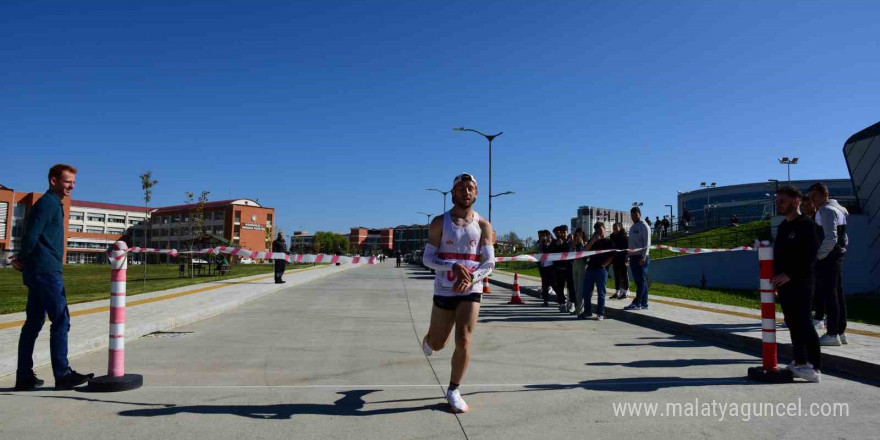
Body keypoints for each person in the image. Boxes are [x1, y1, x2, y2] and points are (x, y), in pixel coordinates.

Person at [12, 164, 94, 391]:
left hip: (42, 269)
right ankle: (63, 374)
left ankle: (24, 376)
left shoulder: (53, 204)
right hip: (46, 271)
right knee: (60, 320)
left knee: (34, 323)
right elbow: (31, 234)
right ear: (53, 180)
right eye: (68, 181)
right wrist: (22, 258)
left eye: (74, 183)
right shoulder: (47, 204)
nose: (72, 186)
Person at [420, 173, 495, 413]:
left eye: (470, 187)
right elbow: (427, 259)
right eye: (461, 188)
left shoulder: (483, 225)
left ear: (476, 193)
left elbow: (490, 262)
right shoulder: (440, 223)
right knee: (438, 344)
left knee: (463, 339)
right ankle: (430, 338)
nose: (466, 191)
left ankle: (453, 389)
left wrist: (473, 278)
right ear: (453, 193)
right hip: (444, 287)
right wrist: (451, 266)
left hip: (471, 288)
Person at [771, 186, 822, 382]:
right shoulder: (784, 226)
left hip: (802, 282)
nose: (779, 203)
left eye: (782, 200)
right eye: (778, 200)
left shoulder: (808, 226)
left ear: (796, 201)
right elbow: (779, 256)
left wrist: (789, 275)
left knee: (804, 322)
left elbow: (810, 257)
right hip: (784, 284)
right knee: (792, 323)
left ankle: (815, 367)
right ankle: (799, 361)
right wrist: (776, 280)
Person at [809, 182, 849, 346]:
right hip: (836, 255)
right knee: (838, 294)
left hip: (828, 258)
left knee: (830, 294)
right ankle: (840, 332)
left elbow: (830, 238)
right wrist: (842, 250)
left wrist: (819, 256)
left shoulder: (825, 210)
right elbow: (843, 237)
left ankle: (832, 333)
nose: (812, 200)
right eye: (811, 197)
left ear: (825, 195)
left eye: (815, 196)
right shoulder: (839, 210)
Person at [579, 222, 615, 320]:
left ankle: (600, 313)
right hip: (590, 269)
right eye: (596, 230)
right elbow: (585, 251)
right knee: (586, 292)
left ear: (604, 228)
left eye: (600, 229)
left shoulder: (609, 242)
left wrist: (604, 265)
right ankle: (587, 312)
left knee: (601, 292)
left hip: (601, 270)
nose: (599, 231)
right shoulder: (593, 240)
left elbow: (612, 256)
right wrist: (593, 241)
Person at [624, 206, 651, 310]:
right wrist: (627, 255)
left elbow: (647, 243)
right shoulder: (632, 227)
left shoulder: (644, 226)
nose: (634, 216)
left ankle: (637, 303)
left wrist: (643, 257)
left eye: (636, 214)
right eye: (632, 215)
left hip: (641, 257)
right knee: (640, 281)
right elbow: (631, 244)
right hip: (633, 257)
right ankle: (644, 303)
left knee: (641, 281)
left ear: (640, 214)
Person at [550, 225, 575, 313]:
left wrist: (564, 244)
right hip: (559, 268)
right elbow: (551, 252)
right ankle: (562, 304)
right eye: (561, 232)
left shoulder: (571, 242)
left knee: (571, 287)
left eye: (564, 232)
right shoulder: (555, 242)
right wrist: (557, 245)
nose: (563, 234)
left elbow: (569, 251)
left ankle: (571, 303)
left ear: (567, 232)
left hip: (569, 268)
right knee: (559, 287)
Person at [609, 222, 630, 299]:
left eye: (616, 228)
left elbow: (628, 248)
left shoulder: (624, 236)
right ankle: (617, 292)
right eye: (613, 228)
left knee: (624, 275)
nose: (614, 230)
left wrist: (627, 258)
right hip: (615, 258)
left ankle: (625, 292)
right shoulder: (612, 236)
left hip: (623, 258)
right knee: (617, 275)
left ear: (620, 227)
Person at [571, 228, 588, 317]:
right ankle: (577, 308)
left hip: (582, 265)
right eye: (576, 235)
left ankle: (580, 310)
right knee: (576, 288)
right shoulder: (574, 245)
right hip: (575, 265)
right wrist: (573, 245)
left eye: (580, 235)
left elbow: (586, 255)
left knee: (580, 290)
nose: (578, 237)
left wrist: (581, 244)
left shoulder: (585, 244)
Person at [536, 230, 555, 307]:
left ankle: (562, 299)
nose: (543, 238)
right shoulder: (541, 244)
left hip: (552, 267)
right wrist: (542, 243)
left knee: (554, 284)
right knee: (544, 285)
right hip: (543, 267)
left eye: (544, 236)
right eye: (541, 236)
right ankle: (545, 300)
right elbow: (539, 252)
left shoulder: (553, 243)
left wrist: (549, 243)